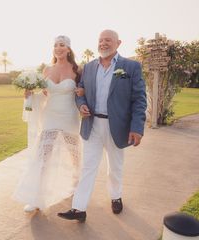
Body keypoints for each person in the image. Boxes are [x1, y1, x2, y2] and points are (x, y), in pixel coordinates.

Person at [58, 30, 147, 222]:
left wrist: (137, 127)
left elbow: (139, 99)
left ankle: (116, 196)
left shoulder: (131, 67)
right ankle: (79, 208)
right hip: (92, 125)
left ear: (118, 43)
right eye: (100, 40)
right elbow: (79, 90)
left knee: (115, 167)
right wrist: (81, 104)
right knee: (88, 167)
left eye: (108, 40)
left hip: (118, 127)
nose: (103, 43)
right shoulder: (89, 67)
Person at [13, 35, 82, 212]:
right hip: (50, 114)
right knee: (44, 155)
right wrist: (30, 96)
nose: (58, 48)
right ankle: (36, 197)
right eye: (55, 45)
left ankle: (76, 185)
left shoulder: (77, 69)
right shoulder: (47, 69)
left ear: (68, 49)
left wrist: (82, 92)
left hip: (69, 115)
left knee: (73, 154)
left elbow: (83, 92)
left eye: (62, 45)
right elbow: (45, 94)